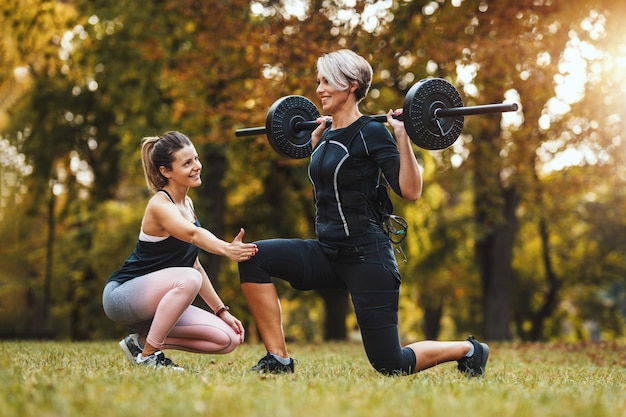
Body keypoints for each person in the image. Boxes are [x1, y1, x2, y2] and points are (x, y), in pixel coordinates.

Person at [238, 49, 489, 376]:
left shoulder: (371, 132)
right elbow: (332, 186)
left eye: (327, 81)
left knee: (391, 364)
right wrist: (316, 146)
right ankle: (279, 359)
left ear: (352, 85)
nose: (319, 89)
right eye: (319, 81)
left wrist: (403, 138)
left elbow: (410, 191)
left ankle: (469, 350)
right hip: (327, 252)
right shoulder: (324, 134)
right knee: (253, 256)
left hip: (366, 257)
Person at [102, 131, 258, 370]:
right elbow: (193, 235)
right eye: (187, 163)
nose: (197, 166)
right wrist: (227, 249)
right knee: (189, 279)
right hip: (123, 296)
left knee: (228, 339)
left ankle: (141, 344)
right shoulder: (159, 205)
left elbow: (194, 263)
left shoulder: (188, 204)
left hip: (162, 301)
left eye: (195, 159)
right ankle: (150, 357)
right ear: (166, 171)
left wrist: (221, 311)